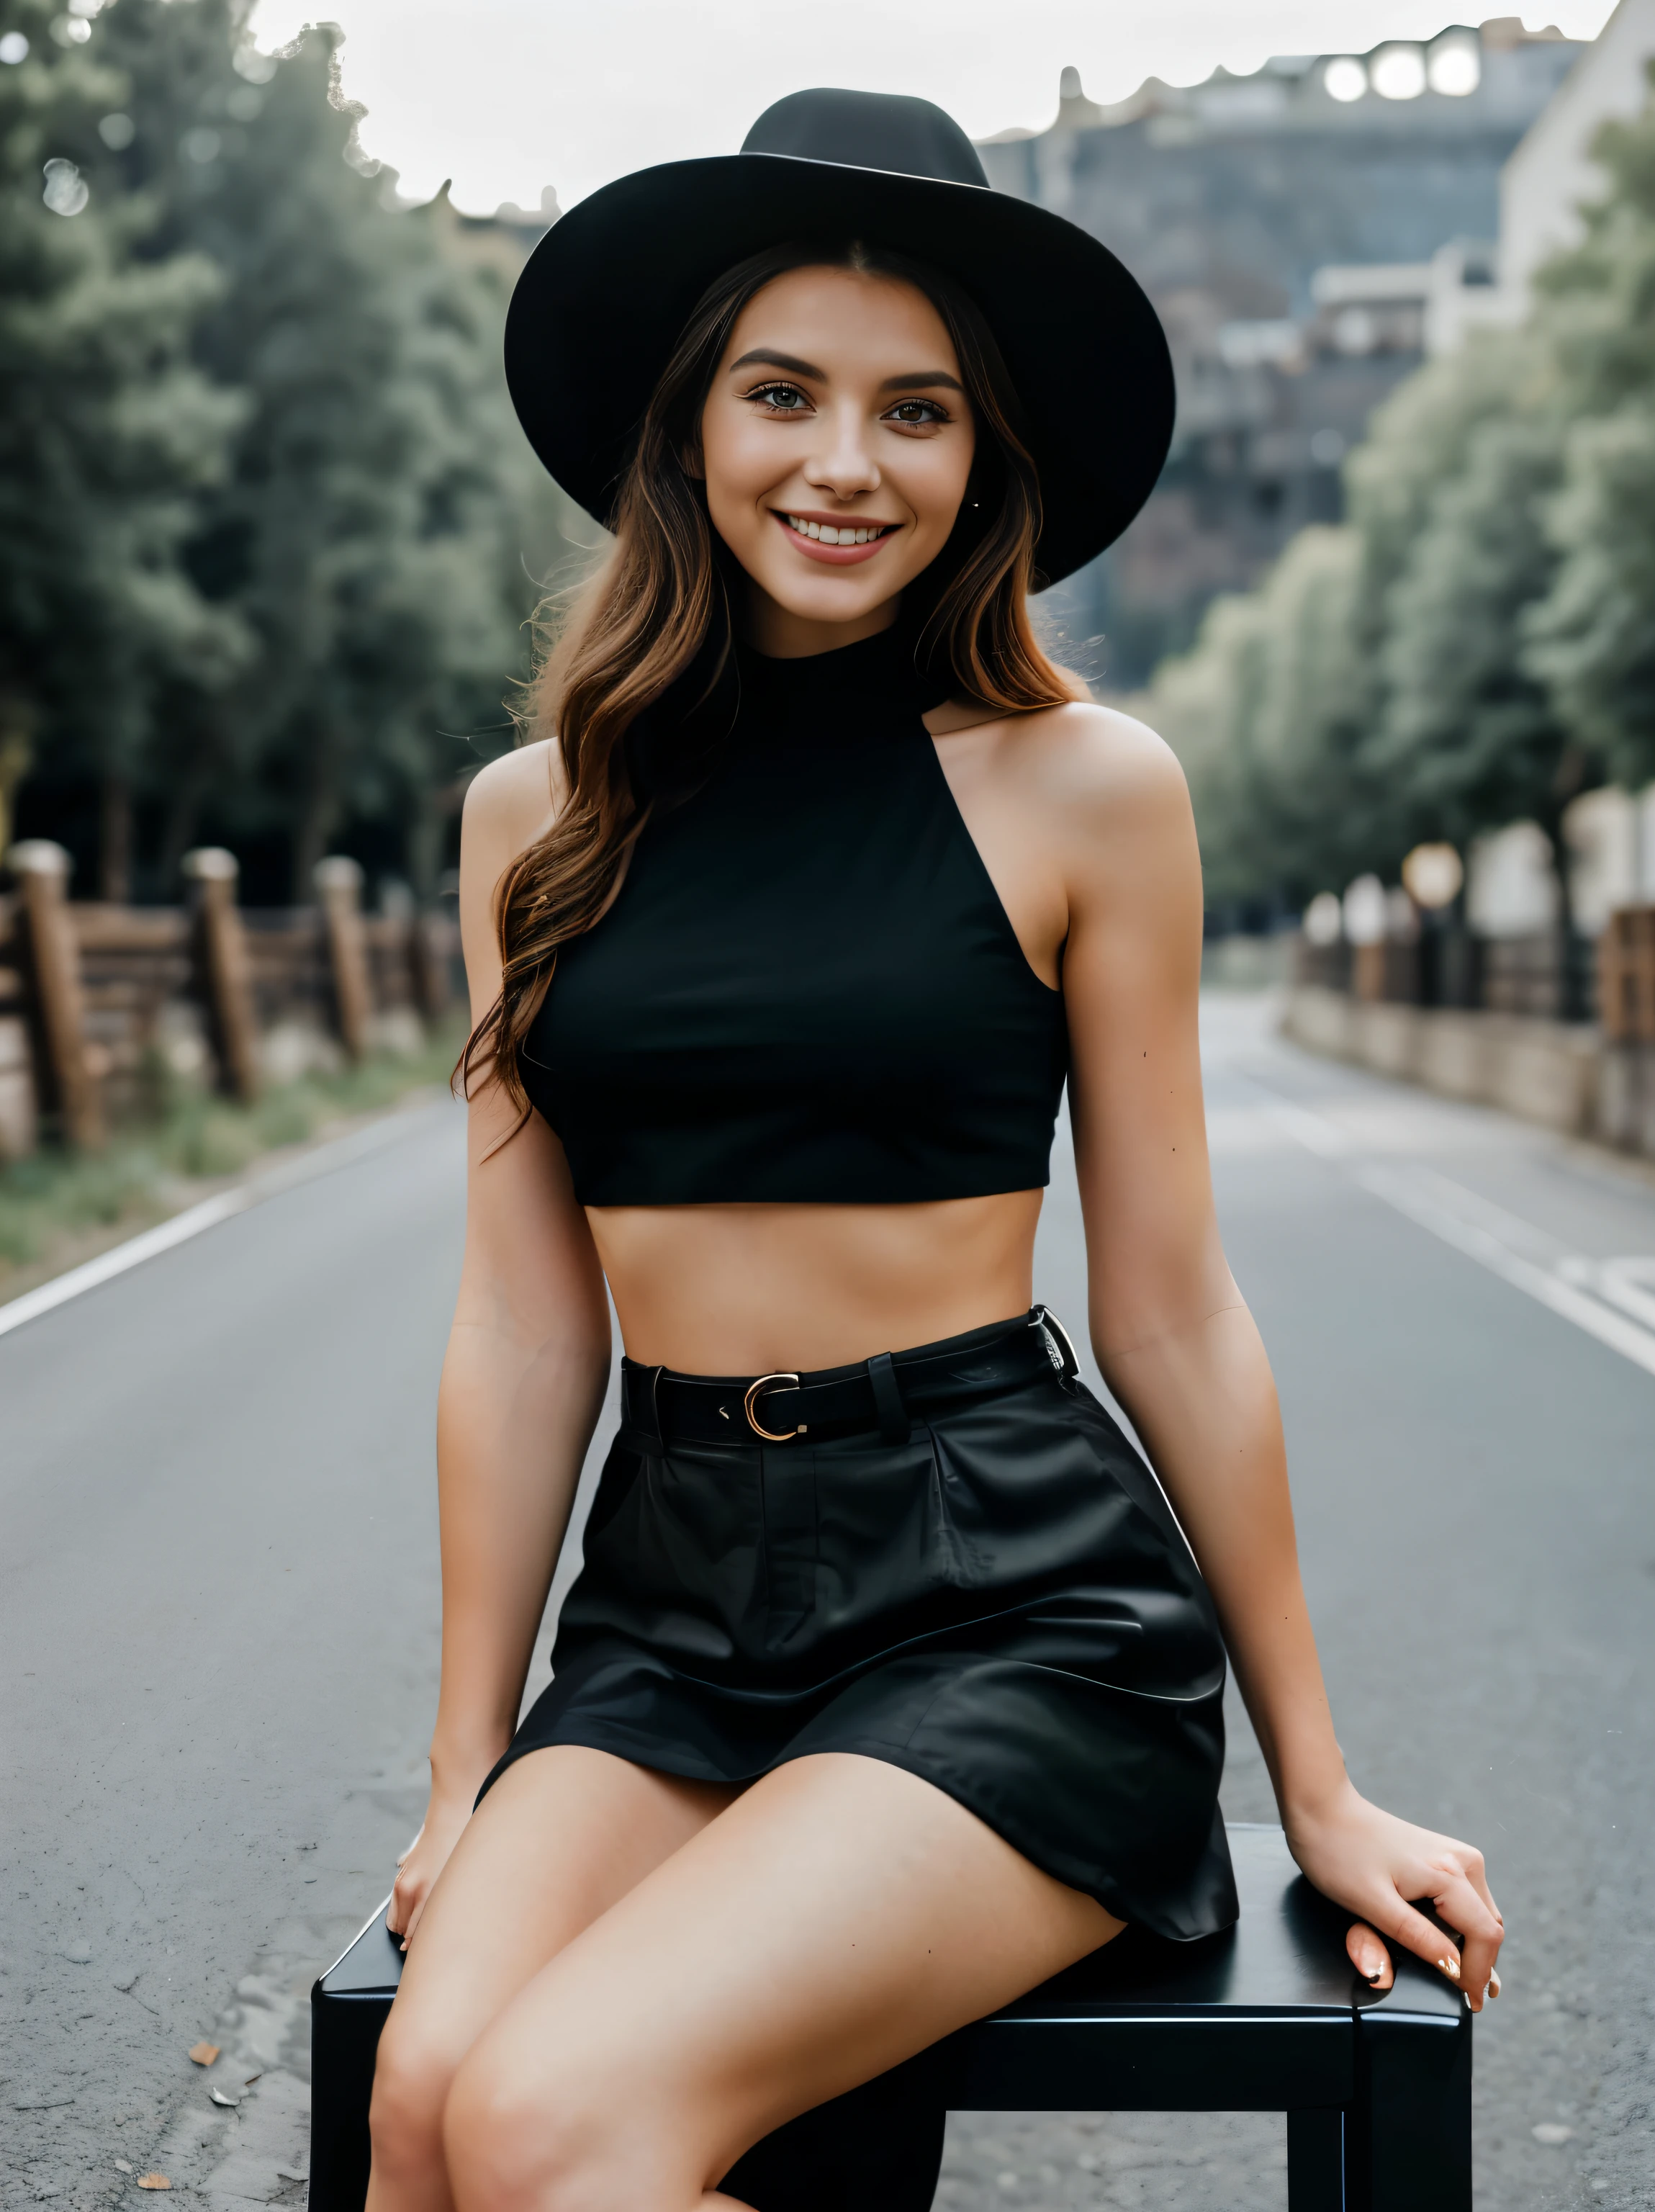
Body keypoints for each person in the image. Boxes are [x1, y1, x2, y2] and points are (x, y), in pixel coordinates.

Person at [364, 89, 1503, 2212]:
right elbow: (526, 1333)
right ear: (689, 422)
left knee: (550, 2126)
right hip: (674, 1605)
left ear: (984, 462)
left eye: (920, 412)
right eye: (782, 392)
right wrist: (466, 1775)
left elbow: (1171, 1312)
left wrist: (1318, 1785)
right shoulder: (532, 821)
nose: (844, 464)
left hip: (1010, 1607)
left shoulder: (1091, 790)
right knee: (426, 2119)